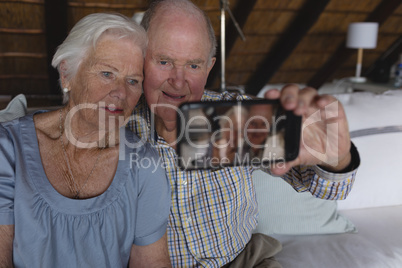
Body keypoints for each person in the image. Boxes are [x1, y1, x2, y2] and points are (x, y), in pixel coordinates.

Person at [128, 0, 360, 267]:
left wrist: (336, 157)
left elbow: (330, 188)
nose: (178, 81)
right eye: (164, 61)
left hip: (243, 261)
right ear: (141, 58)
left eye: (193, 65)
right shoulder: (117, 126)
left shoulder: (237, 115)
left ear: (209, 67)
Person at [0, 13, 172, 267]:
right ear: (67, 74)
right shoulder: (8, 148)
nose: (121, 92)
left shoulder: (143, 163)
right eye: (106, 73)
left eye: (133, 81)